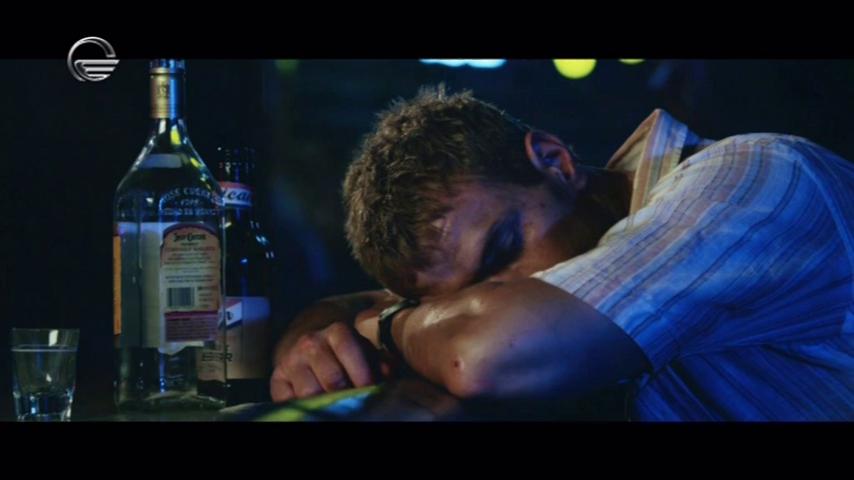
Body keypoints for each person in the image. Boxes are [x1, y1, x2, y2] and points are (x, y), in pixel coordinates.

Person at [270, 86, 854, 420]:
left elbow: (488, 353)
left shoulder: (753, 179)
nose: (503, 294)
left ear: (555, 161)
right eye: (464, 298)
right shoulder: (602, 235)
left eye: (504, 249)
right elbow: (358, 306)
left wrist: (383, 325)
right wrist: (316, 333)